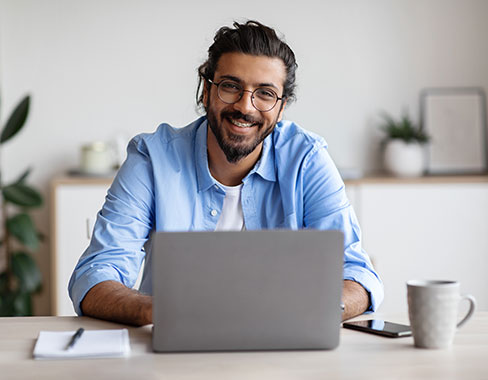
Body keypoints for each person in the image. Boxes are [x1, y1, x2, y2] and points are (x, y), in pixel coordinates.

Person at [69, 20, 383, 326]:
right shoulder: (152, 159)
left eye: (265, 94)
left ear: (281, 107)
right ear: (206, 90)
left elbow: (358, 275)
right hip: (174, 351)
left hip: (285, 349)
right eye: (231, 87)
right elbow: (95, 275)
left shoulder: (307, 159)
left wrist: (315, 310)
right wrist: (159, 310)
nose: (245, 106)